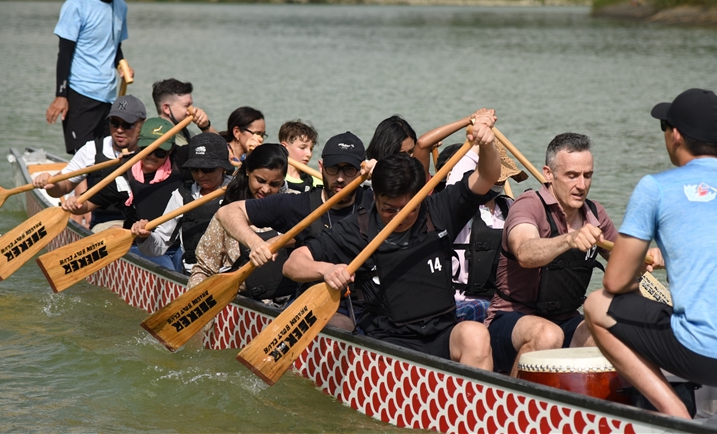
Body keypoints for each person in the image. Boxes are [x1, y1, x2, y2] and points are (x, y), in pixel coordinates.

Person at [583, 89, 717, 428]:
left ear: (675, 135)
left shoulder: (656, 187)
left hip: (700, 356)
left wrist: (634, 279)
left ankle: (674, 414)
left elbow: (615, 281)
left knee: (596, 305)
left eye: (664, 126)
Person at [282, 111, 501, 370]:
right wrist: (327, 270)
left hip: (443, 334)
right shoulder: (358, 228)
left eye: (407, 209)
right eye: (389, 209)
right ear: (375, 197)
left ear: (418, 196)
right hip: (388, 343)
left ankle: (473, 406)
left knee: (475, 334)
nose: (399, 218)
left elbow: (486, 176)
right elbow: (293, 265)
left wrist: (486, 145)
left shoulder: (439, 209)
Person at [485, 133, 630, 377]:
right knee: (548, 335)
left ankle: (587, 404)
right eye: (572, 175)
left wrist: (648, 258)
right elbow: (524, 251)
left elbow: (625, 262)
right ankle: (512, 405)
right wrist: (569, 239)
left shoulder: (595, 213)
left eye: (587, 175)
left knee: (611, 332)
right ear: (548, 174)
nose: (581, 185)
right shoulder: (528, 205)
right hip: (511, 320)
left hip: (566, 319)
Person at [217, 131, 372, 330]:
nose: (340, 178)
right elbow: (228, 212)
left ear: (362, 170)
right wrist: (256, 243)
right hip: (315, 303)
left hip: (370, 303)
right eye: (334, 169)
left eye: (349, 170)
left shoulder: (378, 202)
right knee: (341, 325)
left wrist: (381, 172)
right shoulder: (299, 204)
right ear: (322, 167)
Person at [45, 0, 139, 154]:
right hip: (81, 93)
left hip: (109, 96)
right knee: (83, 155)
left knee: (105, 155)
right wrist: (61, 95)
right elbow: (65, 52)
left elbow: (115, 46)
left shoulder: (121, 7)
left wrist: (122, 65)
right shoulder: (77, 3)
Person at [62, 118, 183, 270]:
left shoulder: (181, 161)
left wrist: (204, 126)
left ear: (171, 150)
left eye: (160, 152)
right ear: (139, 144)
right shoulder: (123, 174)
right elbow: (86, 204)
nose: (152, 155)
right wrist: (75, 204)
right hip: (140, 245)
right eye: (147, 148)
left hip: (178, 245)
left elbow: (218, 150)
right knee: (168, 268)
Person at [187, 144, 293, 300]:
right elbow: (204, 269)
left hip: (289, 300)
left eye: (274, 184)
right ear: (248, 171)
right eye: (260, 180)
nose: (265, 189)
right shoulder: (229, 212)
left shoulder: (295, 203)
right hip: (243, 301)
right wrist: (194, 300)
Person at [33, 94, 146, 231]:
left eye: (127, 124)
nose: (119, 130)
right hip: (105, 224)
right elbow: (64, 185)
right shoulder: (91, 150)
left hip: (143, 223)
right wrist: (51, 183)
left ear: (142, 124)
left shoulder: (152, 153)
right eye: (114, 123)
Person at [446, 140, 528, 323]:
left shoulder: (510, 206)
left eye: (502, 178)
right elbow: (458, 177)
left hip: (500, 301)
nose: (499, 182)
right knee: (480, 309)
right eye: (494, 177)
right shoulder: (458, 207)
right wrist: (478, 141)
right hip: (461, 301)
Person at [130, 133, 234, 275]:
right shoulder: (182, 195)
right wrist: (144, 237)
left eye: (208, 169)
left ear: (223, 167)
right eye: (194, 169)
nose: (200, 175)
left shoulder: (238, 192)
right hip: (194, 274)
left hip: (230, 273)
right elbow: (159, 246)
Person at [152, 78, 218, 167]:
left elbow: (221, 151)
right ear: (166, 108)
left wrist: (205, 126)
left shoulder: (189, 135)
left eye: (191, 105)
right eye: (186, 106)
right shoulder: (154, 137)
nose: (192, 111)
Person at [279, 120, 322, 192]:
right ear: (284, 147)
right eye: (302, 148)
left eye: (311, 149)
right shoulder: (275, 178)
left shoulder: (317, 181)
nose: (309, 154)